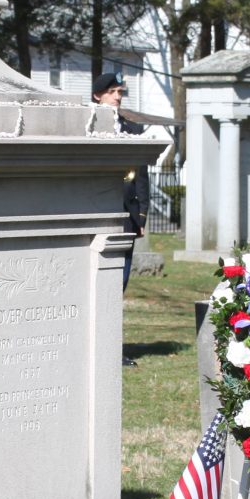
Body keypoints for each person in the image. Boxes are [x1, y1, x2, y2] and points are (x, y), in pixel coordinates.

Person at [96, 70, 148, 362]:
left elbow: (141, 176)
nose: (117, 97)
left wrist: (141, 215)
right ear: (98, 96)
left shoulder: (131, 130)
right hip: (98, 211)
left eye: (119, 93)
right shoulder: (89, 127)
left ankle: (114, 348)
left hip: (126, 216)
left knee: (120, 282)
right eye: (112, 92)